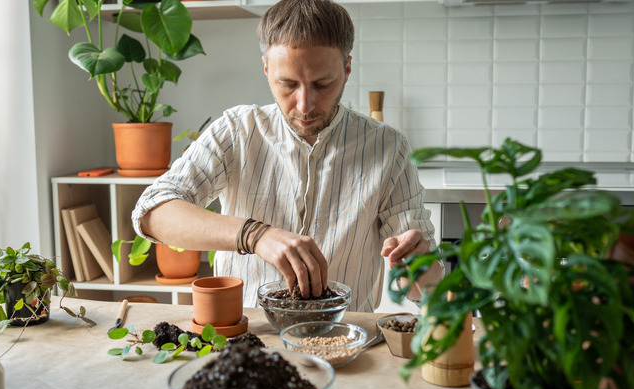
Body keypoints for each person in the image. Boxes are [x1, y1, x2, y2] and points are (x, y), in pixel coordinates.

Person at [132, 0, 438, 312]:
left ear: (347, 69)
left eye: (323, 84)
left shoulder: (388, 147)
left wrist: (416, 265)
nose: (305, 105)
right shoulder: (236, 131)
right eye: (288, 84)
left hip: (344, 341)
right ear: (266, 69)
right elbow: (151, 213)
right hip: (247, 338)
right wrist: (255, 235)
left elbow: (422, 290)